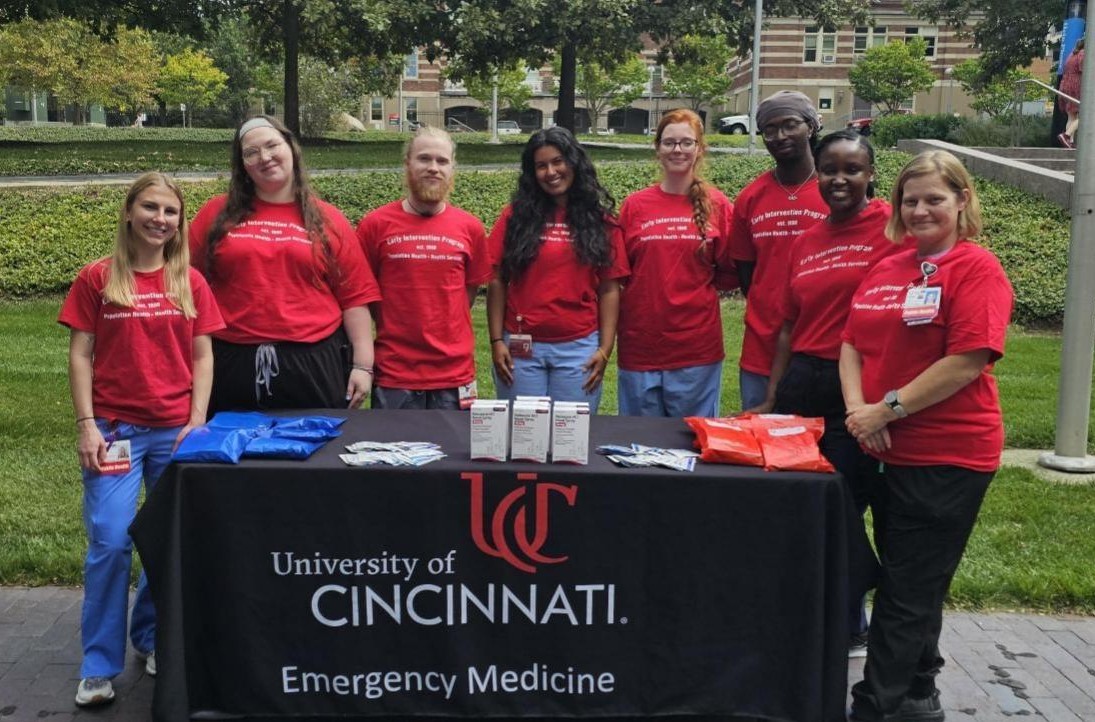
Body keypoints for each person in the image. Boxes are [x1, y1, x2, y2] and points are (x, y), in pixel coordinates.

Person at [842, 150, 1013, 722]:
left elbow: (966, 361)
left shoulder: (977, 269)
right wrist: (860, 411)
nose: (920, 210)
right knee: (909, 575)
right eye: (910, 200)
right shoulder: (890, 266)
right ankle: (918, 692)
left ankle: (876, 706)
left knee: (906, 589)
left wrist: (885, 410)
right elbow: (850, 343)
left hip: (949, 454)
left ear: (962, 200)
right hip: (887, 447)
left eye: (934, 199)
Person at [59, 172, 224, 707]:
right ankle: (98, 666)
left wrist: (196, 419)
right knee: (110, 542)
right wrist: (86, 424)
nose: (160, 219)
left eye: (171, 212)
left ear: (180, 221)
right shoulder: (99, 278)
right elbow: (81, 354)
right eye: (150, 208)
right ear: (129, 212)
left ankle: (150, 637)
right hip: (115, 433)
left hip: (174, 432)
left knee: (166, 541)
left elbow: (203, 355)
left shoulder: (190, 282)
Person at [748, 129, 904, 657]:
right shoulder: (807, 240)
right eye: (830, 169)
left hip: (856, 389)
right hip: (803, 383)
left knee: (841, 504)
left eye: (852, 169)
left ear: (870, 174)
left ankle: (856, 616)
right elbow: (790, 327)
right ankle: (820, 611)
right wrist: (772, 397)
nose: (839, 179)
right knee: (802, 505)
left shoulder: (892, 230)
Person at [189, 115, 380, 412]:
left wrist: (363, 366)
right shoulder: (215, 214)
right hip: (231, 362)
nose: (264, 157)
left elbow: (354, 297)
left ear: (291, 147)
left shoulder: (328, 218)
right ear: (242, 165)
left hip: (313, 363)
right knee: (230, 455)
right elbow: (186, 286)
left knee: (314, 452)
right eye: (251, 153)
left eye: (271, 145)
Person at [487, 127, 628, 412]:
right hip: (520, 347)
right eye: (541, 165)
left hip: (579, 349)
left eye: (558, 161)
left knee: (569, 443)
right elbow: (497, 280)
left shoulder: (600, 221)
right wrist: (496, 340)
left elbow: (610, 287)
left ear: (574, 162)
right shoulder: (515, 217)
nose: (551, 172)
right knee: (525, 441)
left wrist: (604, 349)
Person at [355, 127, 491, 409]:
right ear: (407, 164)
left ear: (452, 168)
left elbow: (467, 293)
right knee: (391, 453)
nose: (433, 168)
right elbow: (361, 299)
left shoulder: (470, 228)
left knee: (454, 454)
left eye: (442, 161)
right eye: (424, 159)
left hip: (455, 375)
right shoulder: (374, 226)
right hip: (395, 374)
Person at [616, 108, 736, 417]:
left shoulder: (718, 205)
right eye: (669, 143)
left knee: (691, 446)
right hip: (640, 345)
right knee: (638, 451)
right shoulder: (635, 206)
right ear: (657, 148)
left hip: (695, 347)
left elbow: (728, 272)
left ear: (699, 148)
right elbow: (620, 273)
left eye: (686, 142)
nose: (677, 150)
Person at [730, 90, 829, 409]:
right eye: (769, 129)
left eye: (790, 124)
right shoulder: (750, 198)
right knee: (760, 449)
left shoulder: (836, 192)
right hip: (762, 348)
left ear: (811, 126)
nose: (779, 135)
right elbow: (748, 275)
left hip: (824, 349)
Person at [1059, 38, 1084, 148]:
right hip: (1076, 87)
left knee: (1071, 116)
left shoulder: (1072, 54)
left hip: (1066, 86)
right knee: (1085, 115)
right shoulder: (1083, 54)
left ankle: (1070, 142)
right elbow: (1084, 69)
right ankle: (1066, 135)